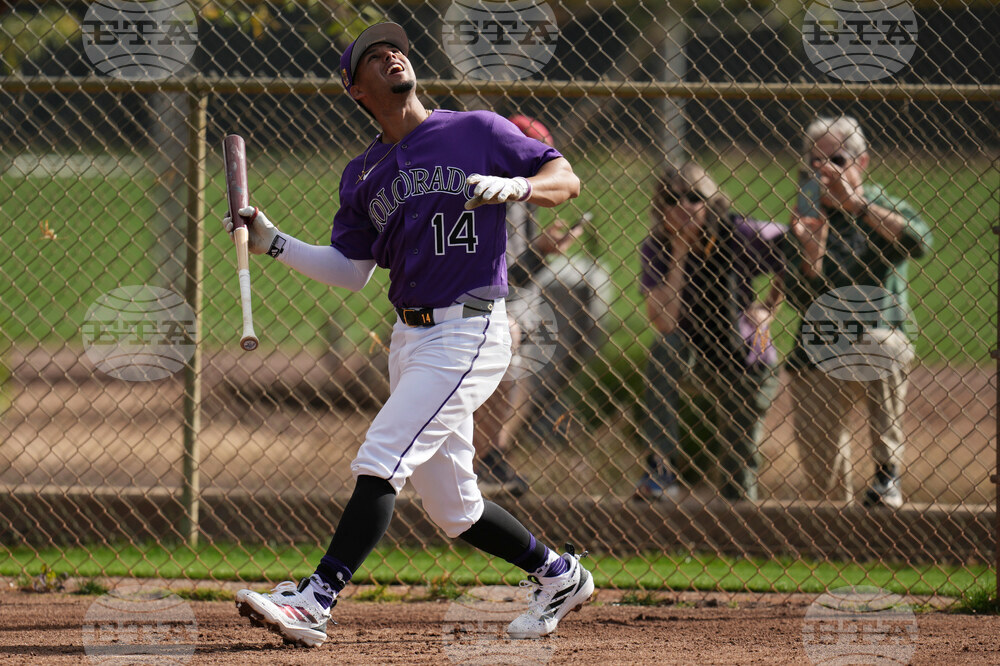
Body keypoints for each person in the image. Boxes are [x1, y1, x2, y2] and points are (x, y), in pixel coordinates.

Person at [223, 23, 592, 647]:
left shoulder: (476, 130)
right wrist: (275, 242)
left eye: (395, 48)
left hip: (470, 328)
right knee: (456, 511)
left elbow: (567, 179)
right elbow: (352, 271)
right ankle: (560, 575)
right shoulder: (363, 173)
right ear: (356, 89)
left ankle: (316, 599)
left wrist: (519, 186)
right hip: (410, 338)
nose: (392, 54)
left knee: (381, 457)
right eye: (373, 56)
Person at [779, 116, 932, 508]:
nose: (826, 170)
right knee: (824, 486)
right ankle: (837, 529)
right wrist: (811, 255)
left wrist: (858, 206)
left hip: (874, 339)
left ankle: (887, 474)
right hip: (819, 349)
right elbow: (796, 299)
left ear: (861, 162)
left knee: (882, 344)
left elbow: (919, 242)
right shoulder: (807, 213)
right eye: (816, 162)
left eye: (837, 159)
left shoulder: (883, 204)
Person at [637, 162, 784, 502]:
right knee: (665, 348)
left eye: (694, 197)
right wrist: (679, 252)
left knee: (737, 473)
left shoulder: (738, 233)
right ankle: (661, 470)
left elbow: (793, 247)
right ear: (661, 207)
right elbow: (665, 322)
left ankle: (739, 518)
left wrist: (769, 309)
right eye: (672, 199)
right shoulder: (657, 248)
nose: (683, 206)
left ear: (712, 202)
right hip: (697, 353)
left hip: (749, 357)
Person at [474, 114, 583, 497]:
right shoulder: (490, 195)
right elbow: (498, 277)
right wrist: (541, 252)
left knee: (517, 372)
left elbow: (519, 271)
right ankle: (485, 457)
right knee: (505, 362)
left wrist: (542, 249)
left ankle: (492, 455)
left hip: (517, 302)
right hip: (486, 303)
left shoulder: (523, 191)